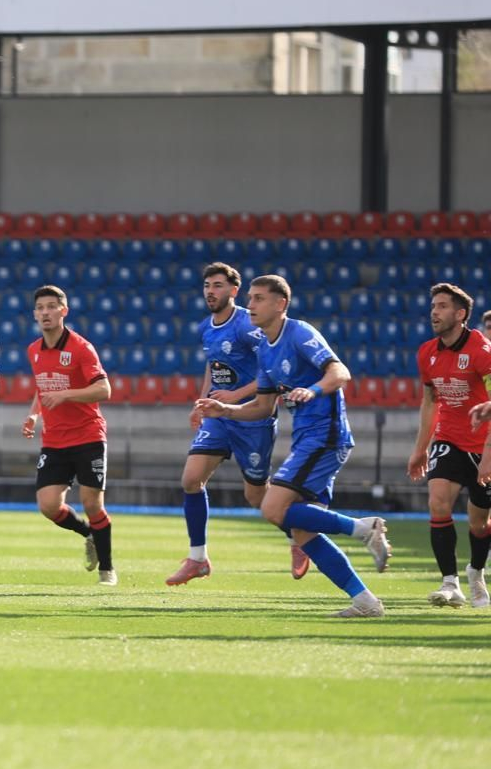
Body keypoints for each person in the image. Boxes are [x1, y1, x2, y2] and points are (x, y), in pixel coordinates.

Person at [193, 275, 390, 617]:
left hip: (325, 435)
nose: (250, 305)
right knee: (302, 530)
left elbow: (340, 372)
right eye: (250, 298)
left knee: (271, 508)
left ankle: (364, 528)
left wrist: (313, 390)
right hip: (307, 437)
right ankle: (365, 601)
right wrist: (225, 409)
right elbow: (262, 407)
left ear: (280, 304)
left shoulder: (299, 332)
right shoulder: (266, 350)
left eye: (258, 299)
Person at [166, 263, 282, 586]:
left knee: (257, 498)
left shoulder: (248, 324)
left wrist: (234, 396)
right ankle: (198, 558)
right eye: (206, 285)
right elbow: (213, 365)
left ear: (234, 291)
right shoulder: (207, 327)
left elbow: (269, 370)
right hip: (218, 416)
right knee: (190, 479)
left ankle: (298, 536)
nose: (210, 291)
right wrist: (202, 402)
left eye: (217, 285)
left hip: (252, 418)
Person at [22, 285, 116, 586]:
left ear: (64, 311)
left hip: (88, 435)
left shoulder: (81, 348)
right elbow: (43, 386)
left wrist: (65, 395)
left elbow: (104, 389)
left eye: (52, 306)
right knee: (48, 505)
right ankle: (88, 534)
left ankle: (107, 570)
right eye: (40, 307)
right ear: (35, 313)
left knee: (92, 503)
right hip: (54, 440)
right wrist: (34, 413)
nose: (45, 312)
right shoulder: (34, 350)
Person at [405, 283, 491, 608]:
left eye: (442, 306)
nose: (434, 313)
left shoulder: (483, 352)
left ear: (461, 314)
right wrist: (420, 448)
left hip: (484, 443)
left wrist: (489, 456)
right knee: (438, 502)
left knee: (480, 522)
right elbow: (430, 402)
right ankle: (450, 583)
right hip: (449, 439)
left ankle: (476, 573)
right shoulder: (427, 352)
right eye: (433, 307)